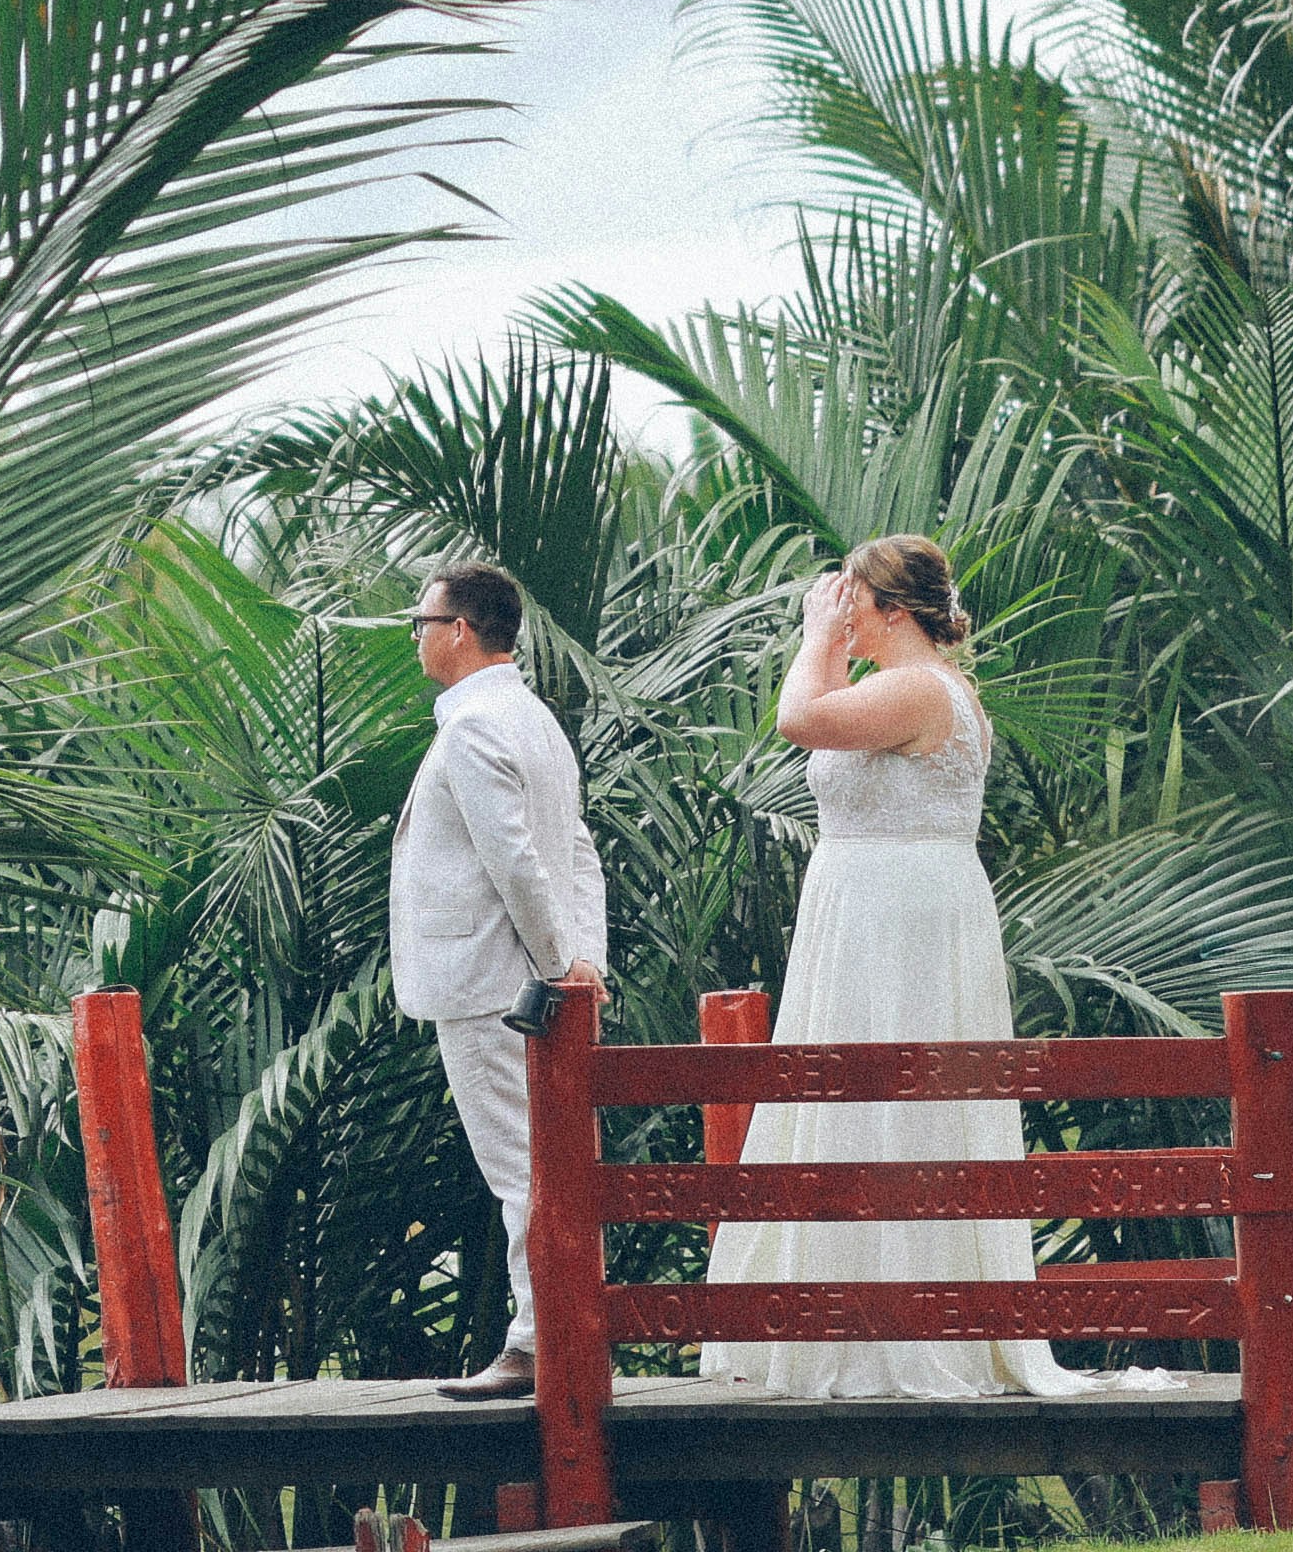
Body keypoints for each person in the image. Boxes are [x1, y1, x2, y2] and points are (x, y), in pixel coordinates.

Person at [698, 535, 1091, 1400]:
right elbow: (830, 723)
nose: (843, 609)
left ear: (894, 611)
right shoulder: (898, 688)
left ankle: (906, 1321)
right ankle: (835, 1309)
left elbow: (800, 717)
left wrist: (814, 636)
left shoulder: (919, 688)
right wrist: (835, 648)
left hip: (903, 911)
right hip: (863, 900)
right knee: (851, 1095)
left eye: (855, 599)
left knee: (902, 1093)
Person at [388, 561, 608, 1403]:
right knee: (540, 1163)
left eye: (425, 620)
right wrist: (583, 960)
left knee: (521, 1169)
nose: (417, 635)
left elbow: (517, 860)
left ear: (461, 631)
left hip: (491, 987)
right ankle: (556, 1331)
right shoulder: (534, 719)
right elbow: (577, 851)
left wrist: (561, 964)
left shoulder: (477, 725)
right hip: (528, 982)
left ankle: (536, 1341)